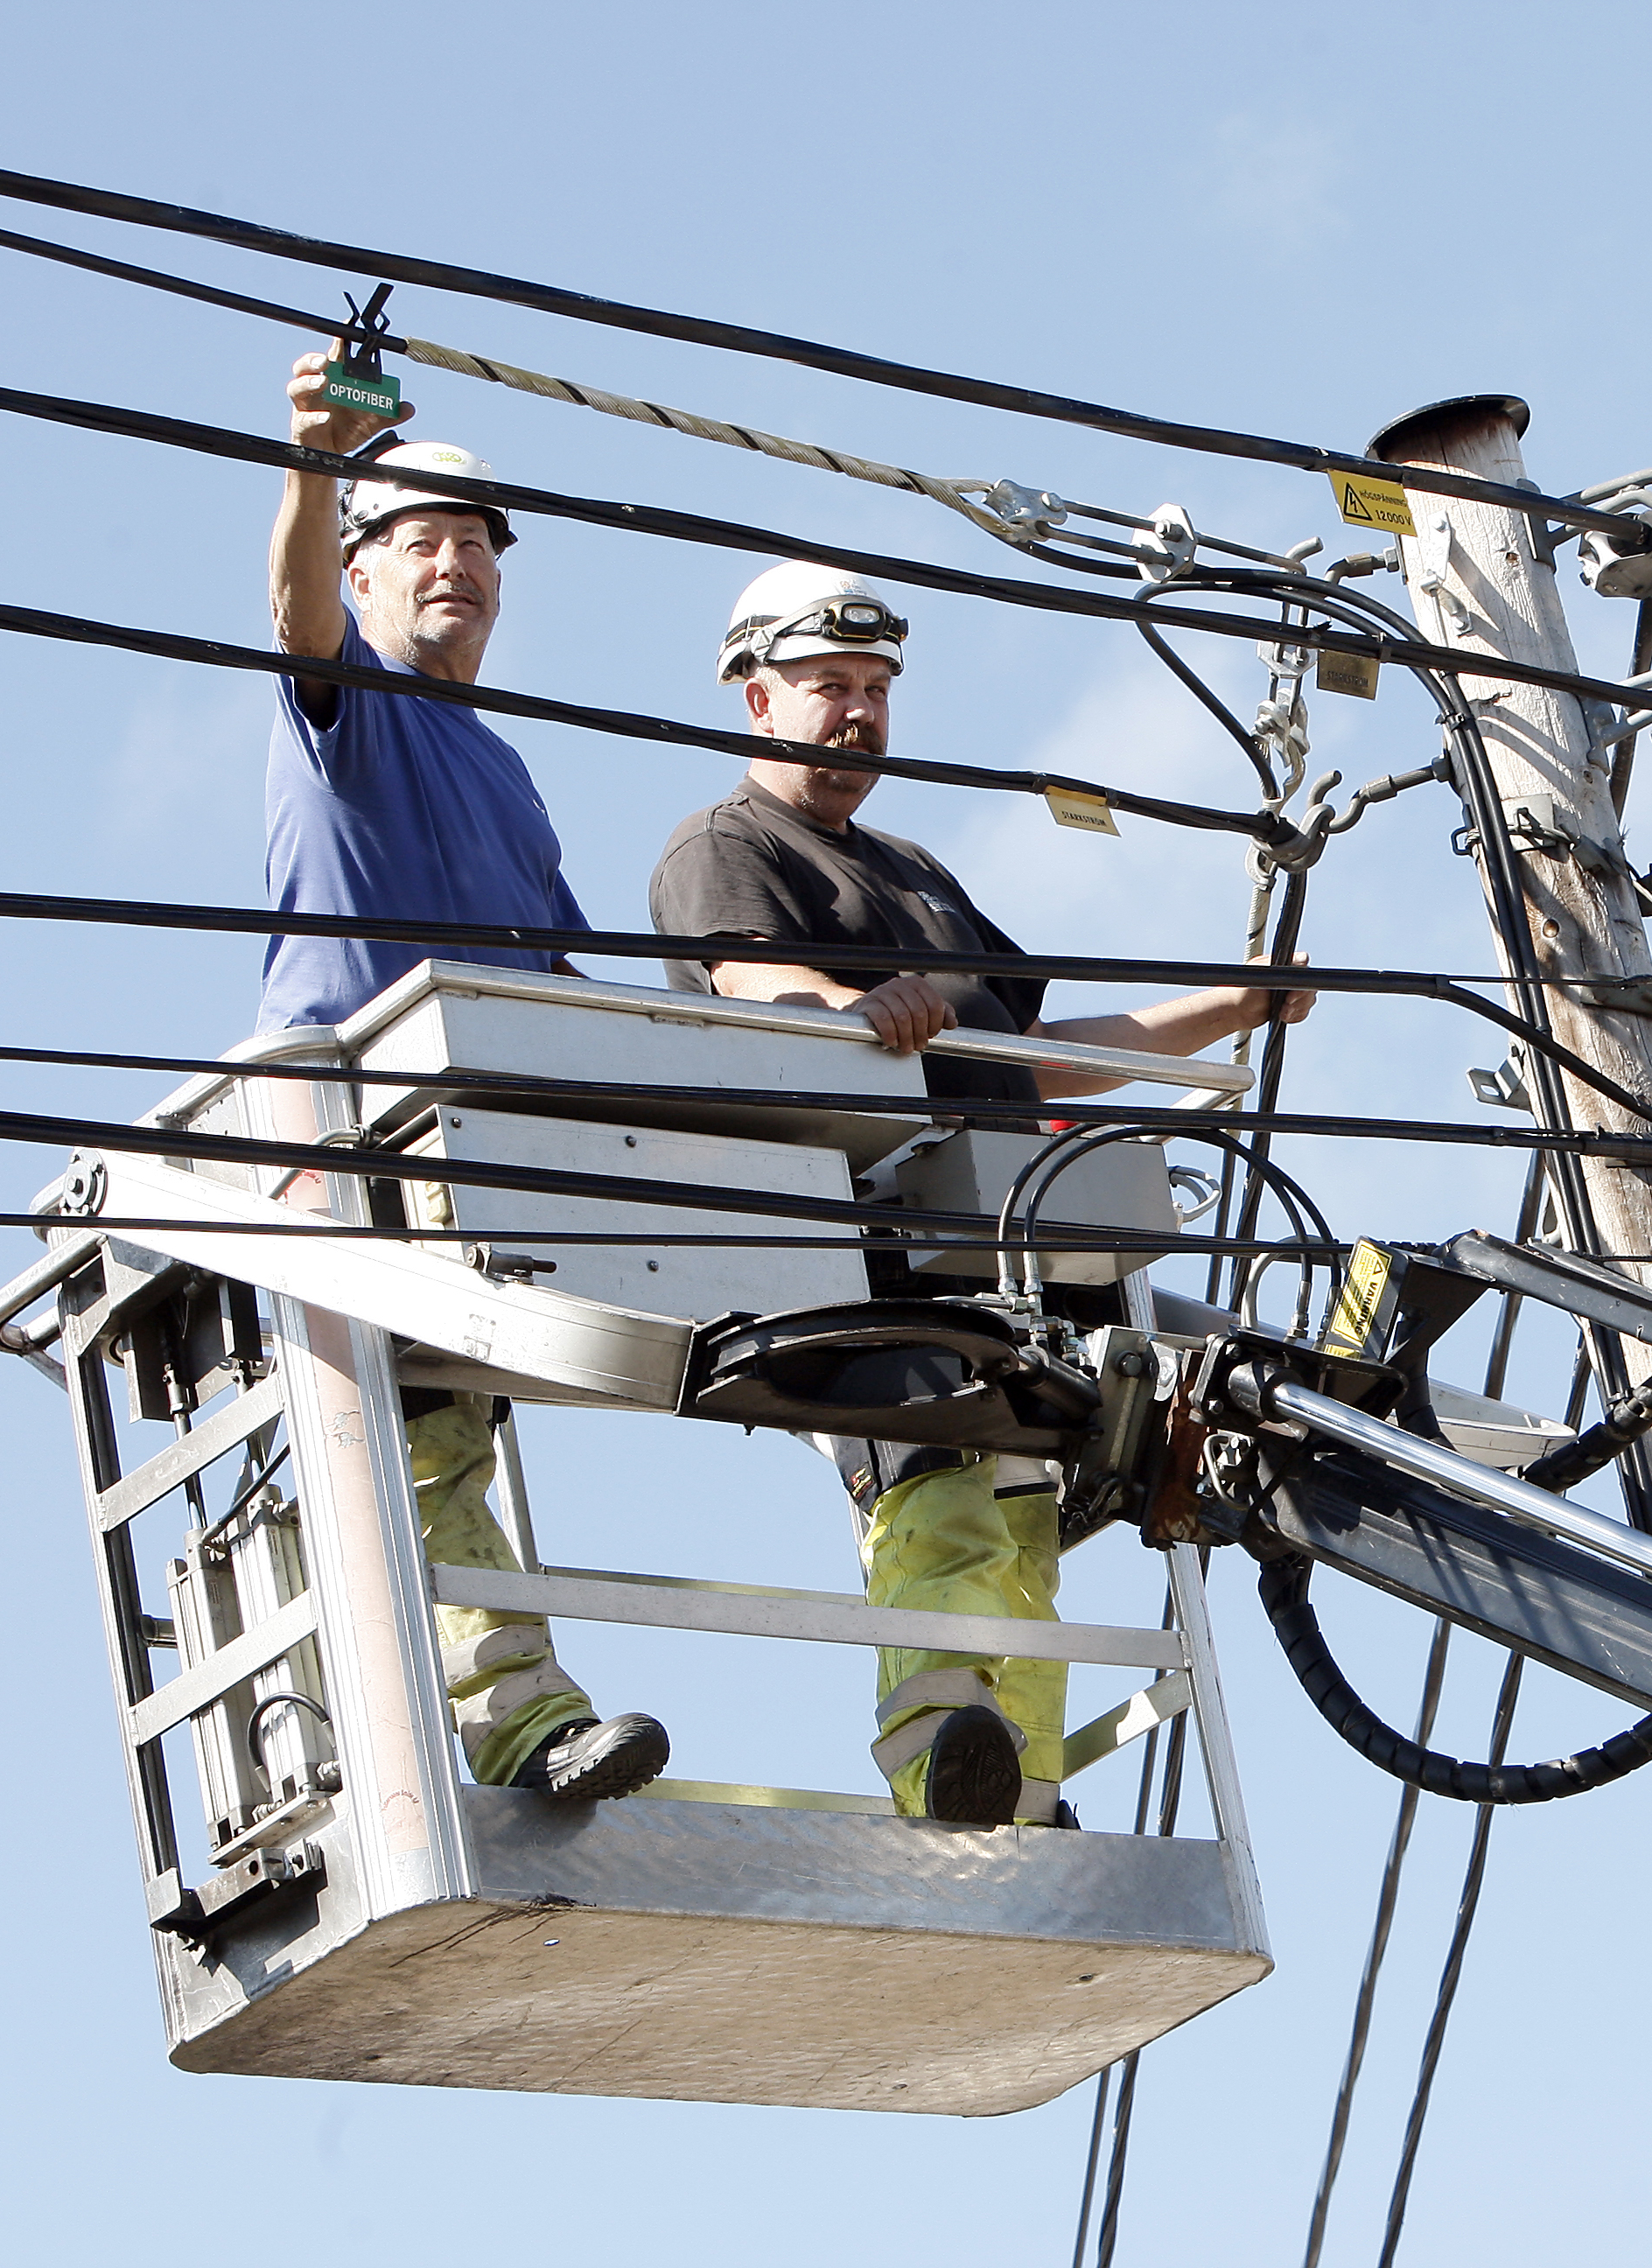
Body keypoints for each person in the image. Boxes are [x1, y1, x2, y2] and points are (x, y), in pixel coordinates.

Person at [648, 562, 1310, 1824]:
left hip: (1002, 1249)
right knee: (935, 1487)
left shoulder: (912, 867)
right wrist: (851, 1009)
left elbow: (1035, 1051)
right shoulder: (725, 845)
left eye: (877, 690)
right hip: (869, 1257)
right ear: (756, 700)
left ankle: (1030, 1797)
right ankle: (943, 1765)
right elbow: (750, 983)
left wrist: (1232, 1005)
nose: (858, 713)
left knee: (1019, 1532)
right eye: (830, 686)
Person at [262, 345, 668, 1804]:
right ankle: (518, 1725)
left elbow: (562, 991)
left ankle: (440, 1716)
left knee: (442, 1445)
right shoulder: (349, 694)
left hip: (476, 1153)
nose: (458, 566)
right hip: (357, 1143)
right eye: (421, 540)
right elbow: (292, 610)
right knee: (421, 1448)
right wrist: (314, 457)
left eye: (479, 546)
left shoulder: (504, 771)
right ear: (366, 574)